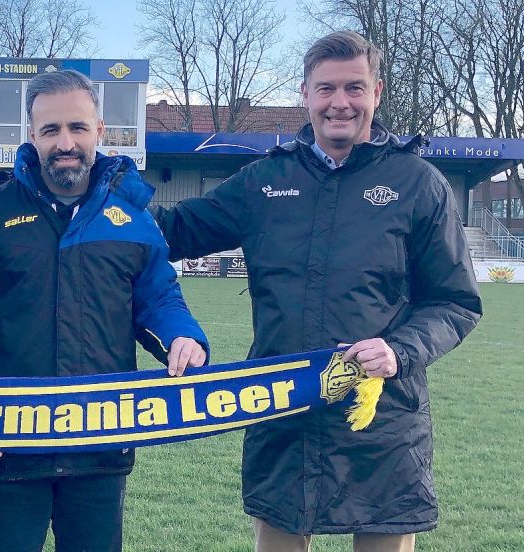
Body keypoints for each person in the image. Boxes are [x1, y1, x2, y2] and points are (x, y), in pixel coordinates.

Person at [153, 31, 483, 551]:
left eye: (355, 87)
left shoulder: (419, 183)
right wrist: (104, 198)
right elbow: (169, 232)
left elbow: (455, 301)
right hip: (282, 409)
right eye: (326, 88)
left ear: (377, 91)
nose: (340, 103)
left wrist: (399, 351)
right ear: (305, 94)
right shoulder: (263, 182)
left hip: (383, 419)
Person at [0, 69, 210, 552]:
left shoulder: (133, 218)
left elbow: (158, 298)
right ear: (31, 136)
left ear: (100, 131)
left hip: (101, 439)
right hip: (7, 440)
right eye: (51, 130)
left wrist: (183, 336)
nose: (65, 142)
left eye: (77, 127)